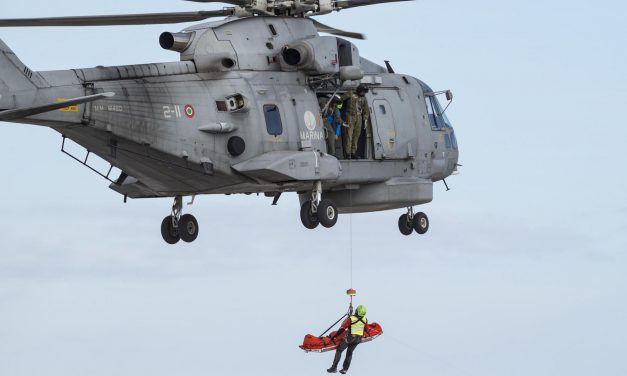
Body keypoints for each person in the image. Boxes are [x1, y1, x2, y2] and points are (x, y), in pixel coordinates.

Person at [327, 305, 368, 374]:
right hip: (358, 339)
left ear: (357, 311)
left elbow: (343, 328)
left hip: (350, 338)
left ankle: (334, 367)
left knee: (339, 350)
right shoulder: (365, 319)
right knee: (350, 352)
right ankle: (345, 369)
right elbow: (366, 329)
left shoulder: (351, 319)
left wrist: (335, 336)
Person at [343, 85, 370, 159]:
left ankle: (353, 152)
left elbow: (366, 109)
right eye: (362, 92)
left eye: (364, 92)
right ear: (359, 90)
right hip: (350, 116)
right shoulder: (350, 93)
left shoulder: (364, 98)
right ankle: (347, 153)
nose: (363, 93)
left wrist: (365, 119)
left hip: (359, 117)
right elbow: (341, 99)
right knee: (349, 136)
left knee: (356, 136)